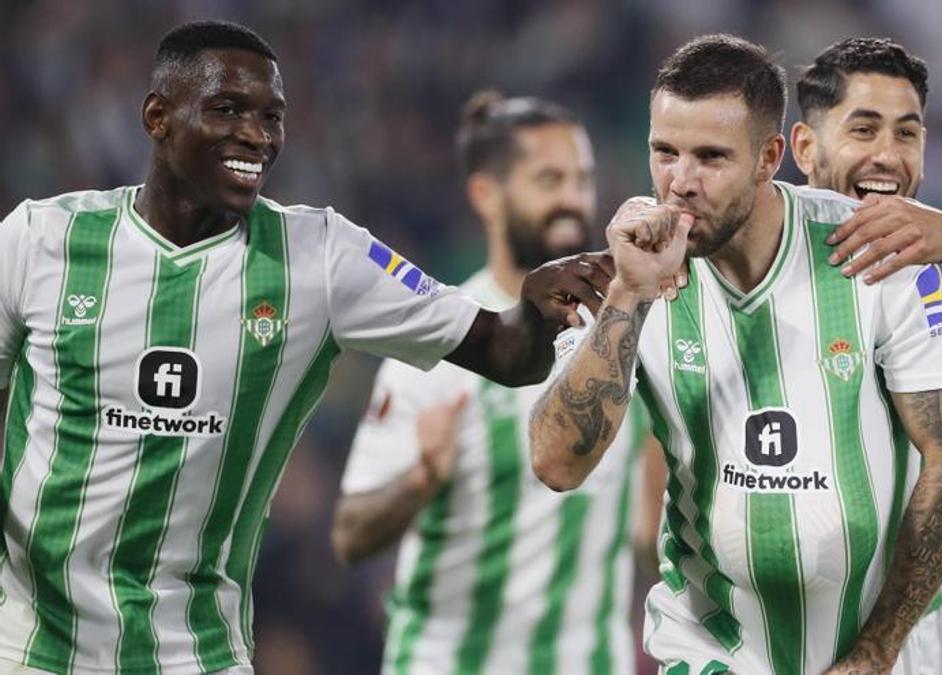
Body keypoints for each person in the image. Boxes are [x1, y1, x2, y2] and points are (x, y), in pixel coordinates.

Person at [0, 21, 612, 674]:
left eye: (273, 116)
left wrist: (536, 306)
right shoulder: (43, 239)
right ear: (158, 116)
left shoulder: (320, 257)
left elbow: (505, 352)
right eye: (227, 109)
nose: (256, 136)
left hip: (195, 656)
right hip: (28, 649)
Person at [529, 35, 942, 674]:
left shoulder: (875, 247)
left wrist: (877, 651)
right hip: (712, 649)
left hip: (879, 647)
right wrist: (629, 296)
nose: (680, 183)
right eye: (665, 153)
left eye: (711, 158)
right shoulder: (627, 273)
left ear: (770, 157)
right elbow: (556, 464)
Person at [329, 91, 664, 674]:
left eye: (582, 179)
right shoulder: (446, 342)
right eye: (549, 179)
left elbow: (646, 532)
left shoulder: (628, 331)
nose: (572, 198)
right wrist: (420, 478)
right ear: (487, 194)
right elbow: (350, 537)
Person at [790, 37, 942, 397]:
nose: (889, 157)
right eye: (864, 131)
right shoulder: (758, 235)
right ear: (806, 148)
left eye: (905, 134)